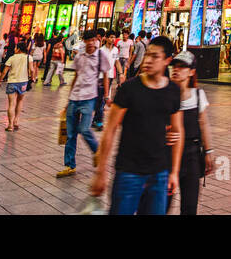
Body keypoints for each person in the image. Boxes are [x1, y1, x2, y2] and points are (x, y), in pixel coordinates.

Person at [92, 37, 184, 215]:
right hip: (129, 172)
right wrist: (101, 171)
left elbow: (178, 131)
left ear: (167, 60)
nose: (148, 60)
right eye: (147, 55)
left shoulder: (173, 91)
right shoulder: (128, 89)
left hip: (159, 174)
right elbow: (110, 131)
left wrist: (174, 172)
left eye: (154, 56)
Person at [170, 50, 214, 214]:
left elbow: (204, 124)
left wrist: (209, 151)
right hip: (168, 155)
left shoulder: (197, 95)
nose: (176, 69)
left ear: (191, 72)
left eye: (182, 67)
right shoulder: (165, 94)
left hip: (192, 155)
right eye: (174, 66)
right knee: (162, 204)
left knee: (189, 205)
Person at [56, 30, 104, 177]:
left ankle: (97, 151)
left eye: (93, 40)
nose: (90, 43)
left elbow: (107, 75)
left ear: (96, 40)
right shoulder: (79, 56)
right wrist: (68, 100)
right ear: (84, 41)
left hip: (89, 98)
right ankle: (70, 165)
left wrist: (106, 96)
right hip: (74, 98)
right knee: (70, 134)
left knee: (84, 129)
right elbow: (76, 76)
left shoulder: (101, 56)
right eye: (87, 40)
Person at [0, 40, 33, 131]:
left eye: (15, 47)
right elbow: (32, 70)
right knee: (20, 101)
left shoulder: (12, 58)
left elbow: (4, 71)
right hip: (23, 82)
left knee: (11, 104)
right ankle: (16, 121)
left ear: (18, 49)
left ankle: (10, 125)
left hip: (12, 82)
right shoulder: (29, 57)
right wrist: (32, 78)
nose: (14, 49)